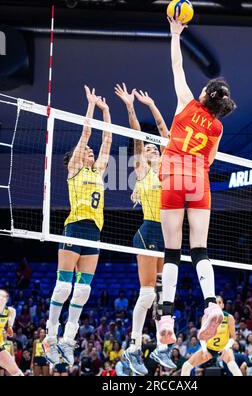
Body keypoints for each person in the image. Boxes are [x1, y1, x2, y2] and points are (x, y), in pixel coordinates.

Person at [157, 12, 236, 345]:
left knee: (172, 252)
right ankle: (209, 304)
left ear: (205, 94)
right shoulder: (217, 126)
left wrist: (176, 34)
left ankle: (165, 318)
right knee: (200, 248)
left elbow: (177, 67)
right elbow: (211, 158)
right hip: (198, 180)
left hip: (174, 175)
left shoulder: (187, 103)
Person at [43, 86, 112, 366]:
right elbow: (86, 133)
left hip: (94, 233)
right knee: (63, 288)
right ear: (78, 156)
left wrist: (106, 110)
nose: (91, 151)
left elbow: (107, 138)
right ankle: (50, 335)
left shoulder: (98, 172)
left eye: (90, 152)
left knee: (83, 291)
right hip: (74, 228)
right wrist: (91, 106)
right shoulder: (75, 169)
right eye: (86, 151)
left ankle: (68, 340)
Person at [115, 83, 176, 374]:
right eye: (148, 149)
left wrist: (152, 105)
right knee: (148, 294)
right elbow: (138, 136)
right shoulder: (142, 170)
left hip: (168, 232)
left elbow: (167, 135)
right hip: (148, 231)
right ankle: (133, 347)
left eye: (155, 149)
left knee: (165, 294)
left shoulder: (167, 168)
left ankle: (162, 349)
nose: (152, 150)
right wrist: (131, 106)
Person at [181, 296, 242, 376]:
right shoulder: (206, 317)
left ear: (223, 305)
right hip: (209, 348)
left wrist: (226, 348)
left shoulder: (229, 318)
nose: (217, 304)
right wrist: (205, 350)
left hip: (223, 348)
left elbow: (233, 337)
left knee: (233, 366)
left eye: (219, 302)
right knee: (186, 366)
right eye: (215, 303)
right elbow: (202, 337)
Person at [0, 289, 23, 376]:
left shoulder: (8, 311)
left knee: (16, 371)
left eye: (3, 298)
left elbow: (13, 311)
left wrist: (10, 326)